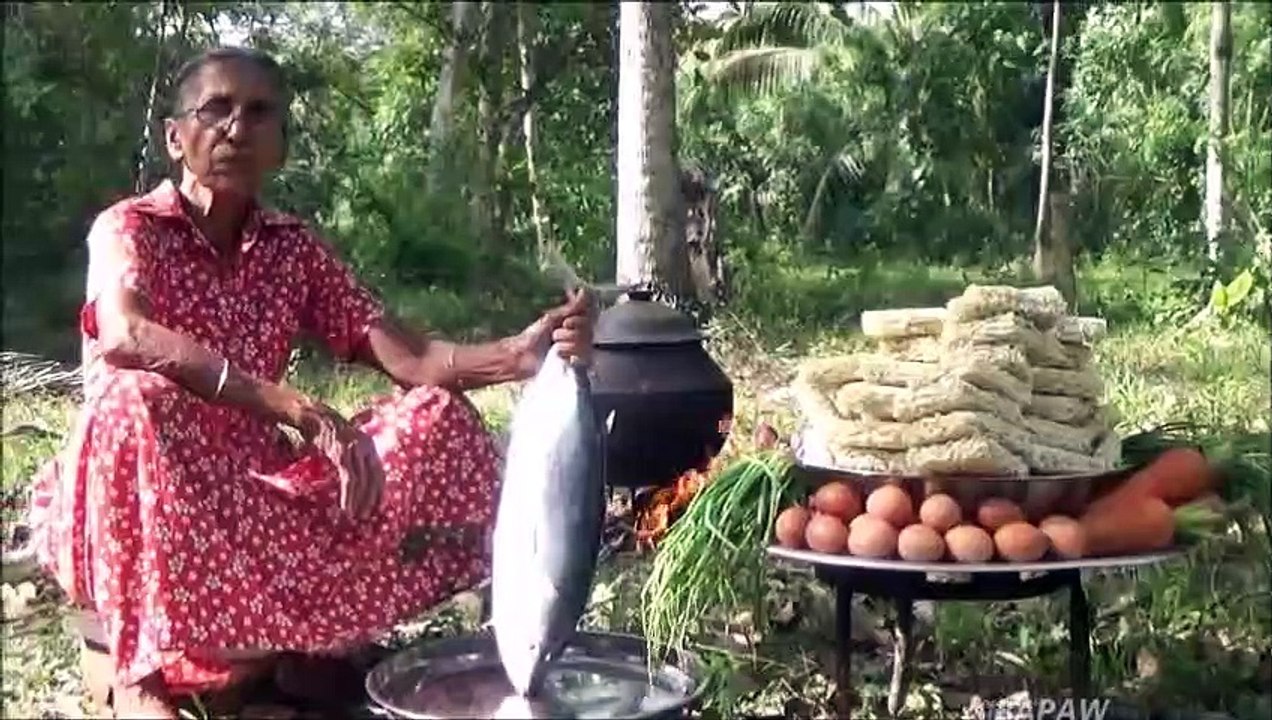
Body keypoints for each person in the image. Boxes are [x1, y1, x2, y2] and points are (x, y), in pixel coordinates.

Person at [25, 46, 594, 718]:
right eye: (217, 109)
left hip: (259, 500)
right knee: (131, 398)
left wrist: (518, 356)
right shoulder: (129, 229)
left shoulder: (292, 249)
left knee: (435, 417)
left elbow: (412, 360)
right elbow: (126, 336)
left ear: (282, 146)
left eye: (259, 113)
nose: (237, 127)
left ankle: (307, 641)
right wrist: (293, 406)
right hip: (139, 503)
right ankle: (144, 683)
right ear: (174, 137)